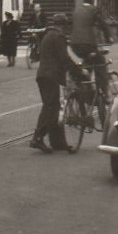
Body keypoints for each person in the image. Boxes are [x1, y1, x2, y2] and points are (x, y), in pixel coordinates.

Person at [30, 14, 80, 153]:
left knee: (54, 107)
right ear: (62, 25)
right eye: (65, 26)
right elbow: (64, 58)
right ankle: (37, 138)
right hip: (50, 76)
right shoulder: (58, 37)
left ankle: (58, 142)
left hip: (43, 75)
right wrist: (78, 72)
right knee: (51, 107)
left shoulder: (48, 35)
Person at [69, 0, 112, 101]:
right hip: (87, 44)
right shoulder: (94, 9)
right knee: (100, 63)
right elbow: (102, 24)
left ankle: (84, 82)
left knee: (86, 62)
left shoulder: (76, 10)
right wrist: (109, 37)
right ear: (93, 0)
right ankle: (105, 93)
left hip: (74, 44)